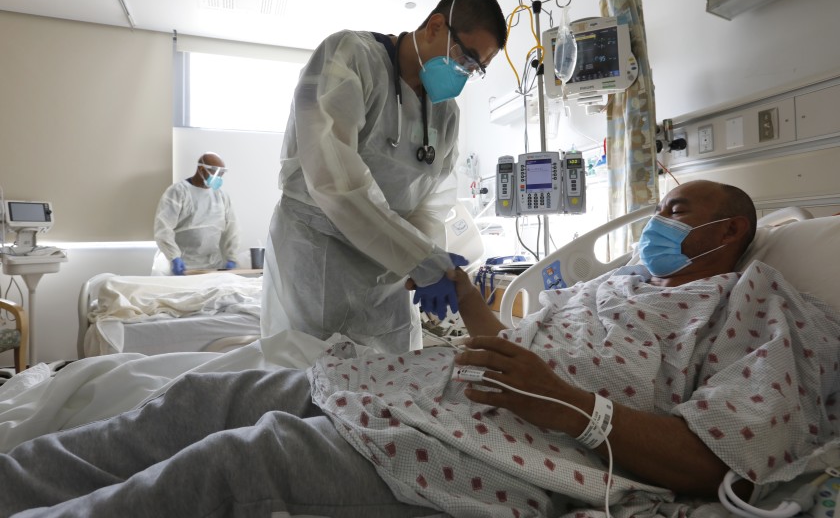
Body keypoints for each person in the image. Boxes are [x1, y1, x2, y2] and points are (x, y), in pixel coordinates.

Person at [3, 181, 840, 518]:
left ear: (726, 229)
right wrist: (474, 302)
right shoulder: (611, 286)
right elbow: (515, 360)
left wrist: (576, 411)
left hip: (499, 445)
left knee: (243, 460)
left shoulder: (758, 304)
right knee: (206, 399)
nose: (656, 221)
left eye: (675, 208)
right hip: (434, 387)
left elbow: (722, 461)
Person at [261, 0, 508, 353]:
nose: (466, 73)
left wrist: (426, 260)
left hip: (388, 274)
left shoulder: (445, 114)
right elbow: (334, 182)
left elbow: (432, 202)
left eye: (476, 69)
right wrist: (420, 258)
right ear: (436, 27)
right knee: (310, 379)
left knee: (391, 386)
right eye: (466, 58)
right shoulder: (348, 57)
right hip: (318, 257)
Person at [153, 152, 240, 275]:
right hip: (182, 266)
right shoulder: (177, 192)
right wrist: (174, 257)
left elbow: (232, 229)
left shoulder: (221, 196)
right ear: (201, 169)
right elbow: (163, 228)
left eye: (221, 174)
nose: (218, 178)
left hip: (212, 265)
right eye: (215, 173)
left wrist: (231, 256)